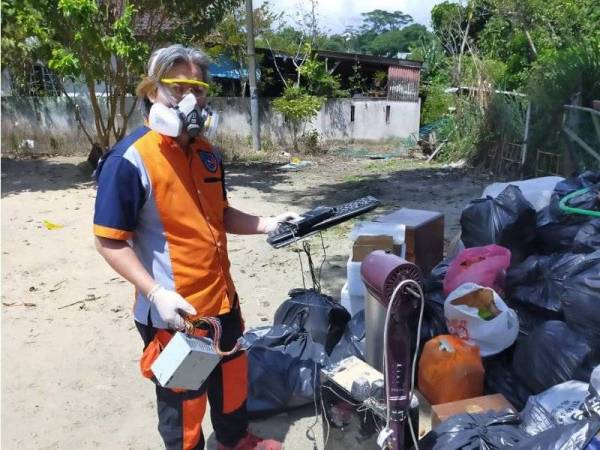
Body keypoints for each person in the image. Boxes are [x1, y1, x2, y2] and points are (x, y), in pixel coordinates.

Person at [93, 44, 297, 450]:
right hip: (175, 313)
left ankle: (235, 441)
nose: (191, 99)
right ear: (153, 91)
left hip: (223, 301)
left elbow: (218, 215)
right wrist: (156, 293)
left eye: (199, 89)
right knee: (183, 401)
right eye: (178, 86)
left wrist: (267, 224)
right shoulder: (130, 160)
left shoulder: (207, 154)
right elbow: (108, 241)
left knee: (232, 380)